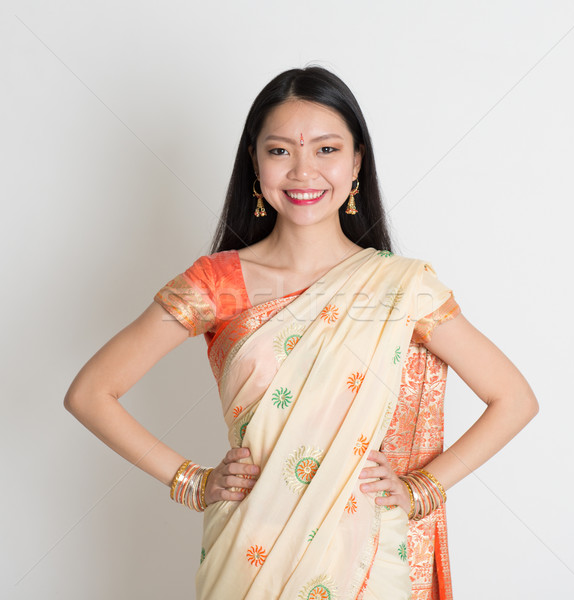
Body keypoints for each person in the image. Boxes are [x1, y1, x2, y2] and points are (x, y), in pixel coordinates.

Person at [64, 66, 539, 600]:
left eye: (327, 150)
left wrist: (421, 489)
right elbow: (90, 393)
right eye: (281, 150)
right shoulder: (217, 284)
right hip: (249, 557)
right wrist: (192, 482)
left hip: (366, 556)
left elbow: (514, 399)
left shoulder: (403, 286)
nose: (303, 171)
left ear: (357, 161)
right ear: (255, 162)